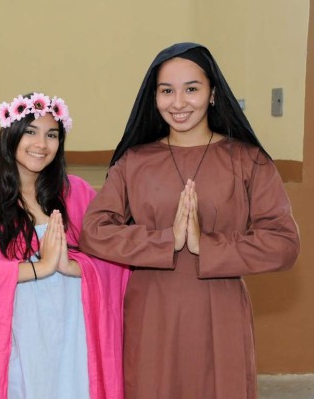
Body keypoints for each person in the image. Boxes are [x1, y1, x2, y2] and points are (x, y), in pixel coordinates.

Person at [79, 42, 300, 398]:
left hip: (221, 309)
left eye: (191, 89)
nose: (178, 102)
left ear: (213, 93)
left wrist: (205, 245)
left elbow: (284, 243)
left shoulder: (248, 160)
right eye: (166, 91)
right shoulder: (133, 162)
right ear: (154, 98)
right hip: (152, 313)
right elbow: (94, 231)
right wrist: (166, 240)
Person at [0, 93, 130, 399]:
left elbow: (114, 256)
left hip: (73, 329)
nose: (41, 144)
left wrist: (72, 266)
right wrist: (40, 268)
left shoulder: (78, 192)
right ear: (11, 136)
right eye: (31, 132)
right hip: (17, 331)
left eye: (51, 135)